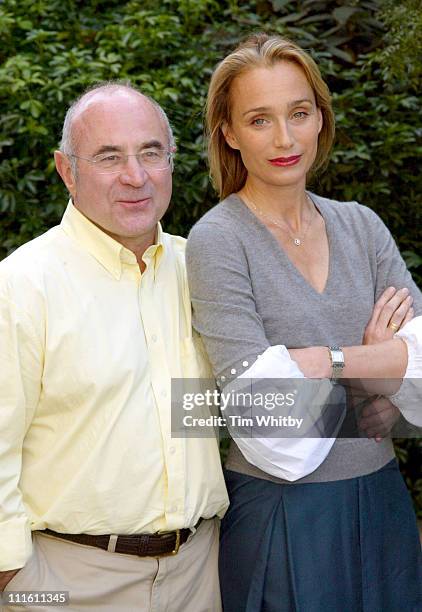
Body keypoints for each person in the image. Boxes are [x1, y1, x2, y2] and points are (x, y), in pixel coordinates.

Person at [186, 34, 422, 611]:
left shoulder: (362, 226)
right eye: (259, 120)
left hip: (382, 504)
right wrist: (371, 370)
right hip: (284, 516)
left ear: (320, 116)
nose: (285, 139)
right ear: (230, 133)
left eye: (299, 113)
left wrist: (318, 362)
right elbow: (266, 418)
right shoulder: (218, 241)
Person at [0, 81, 228, 611]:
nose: (136, 176)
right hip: (67, 579)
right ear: (66, 171)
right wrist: (16, 579)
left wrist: (364, 382)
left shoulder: (203, 269)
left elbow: (257, 396)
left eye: (152, 152)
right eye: (109, 157)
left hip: (199, 572)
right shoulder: (21, 285)